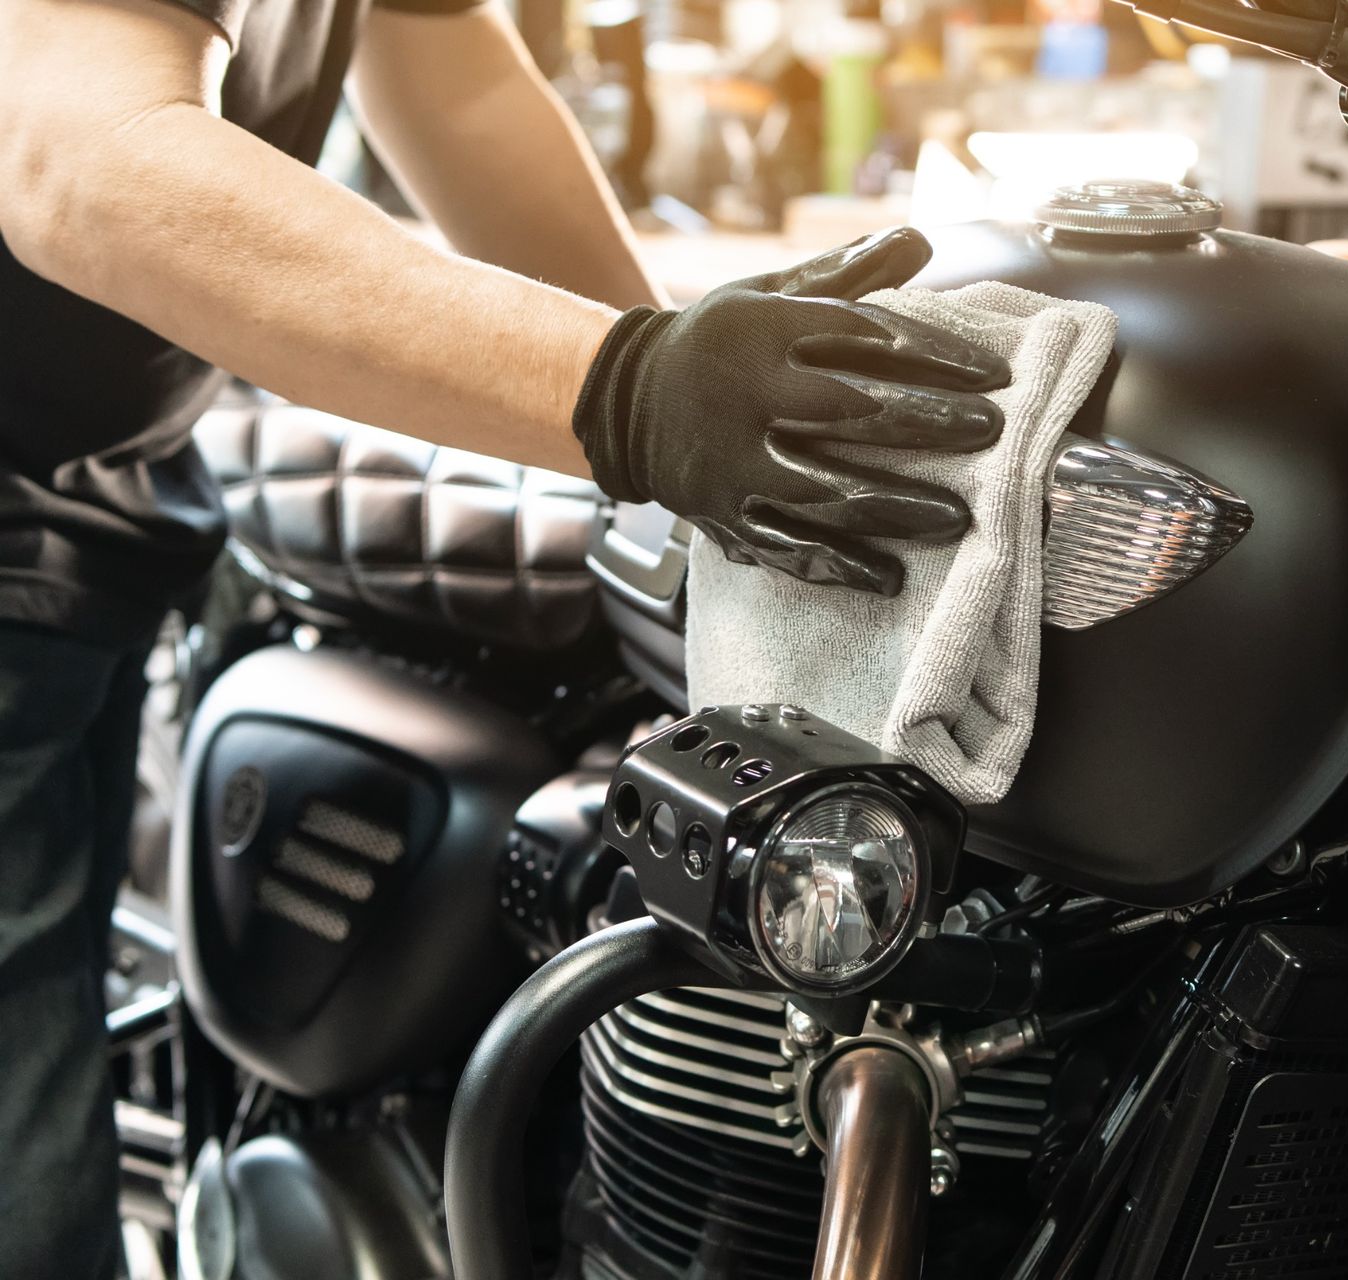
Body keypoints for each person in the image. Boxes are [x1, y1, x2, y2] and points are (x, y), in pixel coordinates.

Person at [0, 0, 1010, 1273]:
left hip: (94, 505)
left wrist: (695, 394)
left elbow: (453, 77)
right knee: (31, 1202)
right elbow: (81, 161)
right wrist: (626, 390)